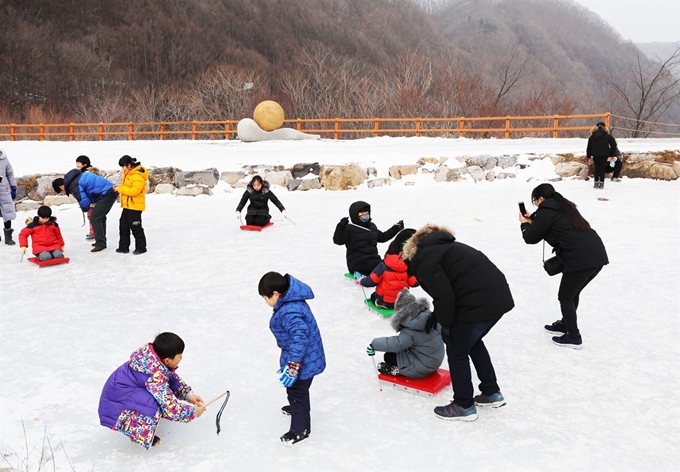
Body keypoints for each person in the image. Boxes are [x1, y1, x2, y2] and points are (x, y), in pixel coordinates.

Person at [402, 224, 514, 421]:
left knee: (456, 350)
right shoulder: (446, 248)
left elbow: (444, 296)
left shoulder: (424, 258)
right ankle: (491, 392)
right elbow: (452, 287)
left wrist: (445, 326)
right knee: (472, 341)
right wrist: (438, 317)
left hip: (478, 304)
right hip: (498, 298)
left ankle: (464, 405)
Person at [519, 183, 608, 350]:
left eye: (535, 201)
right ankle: (565, 324)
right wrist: (535, 221)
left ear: (541, 199)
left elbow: (530, 238)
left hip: (581, 258)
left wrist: (524, 224)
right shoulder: (565, 206)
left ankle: (574, 336)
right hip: (596, 254)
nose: (535, 204)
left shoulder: (546, 211)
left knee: (565, 297)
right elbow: (553, 226)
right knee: (572, 293)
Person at [98, 332, 205, 449]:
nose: (181, 358)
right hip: (116, 407)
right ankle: (139, 434)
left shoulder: (152, 361)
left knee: (156, 397)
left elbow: (170, 378)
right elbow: (170, 408)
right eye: (179, 356)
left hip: (120, 396)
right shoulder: (154, 377)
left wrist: (188, 395)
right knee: (152, 402)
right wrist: (193, 412)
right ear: (167, 360)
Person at [258, 271, 326, 446]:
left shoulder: (289, 311)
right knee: (300, 391)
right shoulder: (291, 301)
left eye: (266, 298)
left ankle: (300, 429)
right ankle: (299, 410)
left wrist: (293, 365)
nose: (266, 302)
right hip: (307, 355)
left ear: (275, 294)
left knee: (296, 392)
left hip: (303, 359)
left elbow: (300, 337)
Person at [366, 288, 445, 379]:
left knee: (389, 356)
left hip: (423, 367)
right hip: (435, 361)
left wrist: (374, 344)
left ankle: (397, 370)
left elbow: (397, 343)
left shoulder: (411, 329)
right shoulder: (430, 318)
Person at [52, 168, 118, 252]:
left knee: (95, 218)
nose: (63, 193)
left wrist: (84, 208)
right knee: (100, 217)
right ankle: (100, 240)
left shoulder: (73, 185)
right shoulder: (75, 178)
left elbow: (84, 200)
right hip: (110, 191)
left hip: (107, 193)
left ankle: (101, 243)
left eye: (61, 191)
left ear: (61, 187)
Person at [333, 200, 403, 276]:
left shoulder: (372, 226)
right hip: (357, 262)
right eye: (361, 213)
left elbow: (383, 237)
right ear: (355, 215)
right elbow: (338, 241)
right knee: (375, 267)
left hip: (374, 259)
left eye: (366, 213)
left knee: (387, 265)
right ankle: (362, 275)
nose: (365, 215)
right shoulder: (349, 228)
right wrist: (341, 227)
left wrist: (396, 228)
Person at [359, 228, 418, 309]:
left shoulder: (383, 265)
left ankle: (382, 303)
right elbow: (414, 283)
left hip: (385, 302)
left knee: (374, 296)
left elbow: (371, 281)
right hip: (401, 302)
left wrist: (362, 281)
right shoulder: (408, 267)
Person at [113, 155, 148, 255]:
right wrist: (119, 186)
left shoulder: (137, 175)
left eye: (123, 166)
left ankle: (141, 247)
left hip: (135, 206)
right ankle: (123, 247)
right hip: (127, 205)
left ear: (129, 165)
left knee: (136, 227)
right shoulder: (128, 173)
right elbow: (127, 187)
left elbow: (134, 191)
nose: (122, 168)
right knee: (123, 226)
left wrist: (120, 189)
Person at [586, 121, 617, 189]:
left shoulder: (592, 137)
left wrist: (588, 157)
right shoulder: (608, 136)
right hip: (604, 155)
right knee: (602, 169)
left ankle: (596, 184)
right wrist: (611, 154)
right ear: (605, 128)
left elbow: (589, 148)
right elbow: (614, 145)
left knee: (596, 169)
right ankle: (602, 184)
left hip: (595, 155)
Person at [76, 155, 96, 240]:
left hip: (91, 199)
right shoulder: (87, 172)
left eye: (78, 163)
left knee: (92, 217)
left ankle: (93, 234)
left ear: (84, 164)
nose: (77, 165)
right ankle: (95, 233)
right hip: (92, 199)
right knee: (93, 216)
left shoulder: (86, 174)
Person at [0, 148, 17, 245]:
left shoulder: (4, 159)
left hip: (4, 190)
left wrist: (13, 187)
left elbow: (10, 174)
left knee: (7, 212)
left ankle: (8, 236)